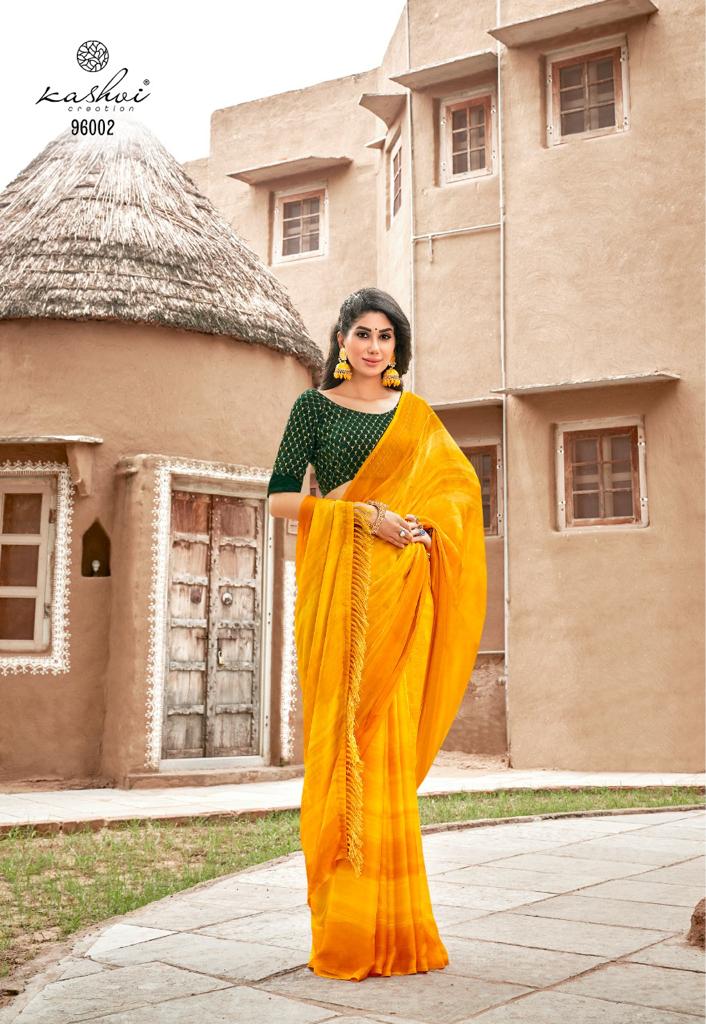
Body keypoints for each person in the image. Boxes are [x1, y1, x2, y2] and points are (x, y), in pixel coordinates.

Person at [267, 287, 487, 982]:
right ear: (340, 340)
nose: (372, 346)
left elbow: (458, 495)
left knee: (385, 745)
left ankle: (396, 928)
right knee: (341, 745)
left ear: (397, 347)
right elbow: (278, 498)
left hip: (402, 598)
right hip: (339, 593)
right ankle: (346, 930)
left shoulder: (414, 417)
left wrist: (422, 530)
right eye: (361, 333)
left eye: (385, 336)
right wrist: (360, 514)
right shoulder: (313, 409)